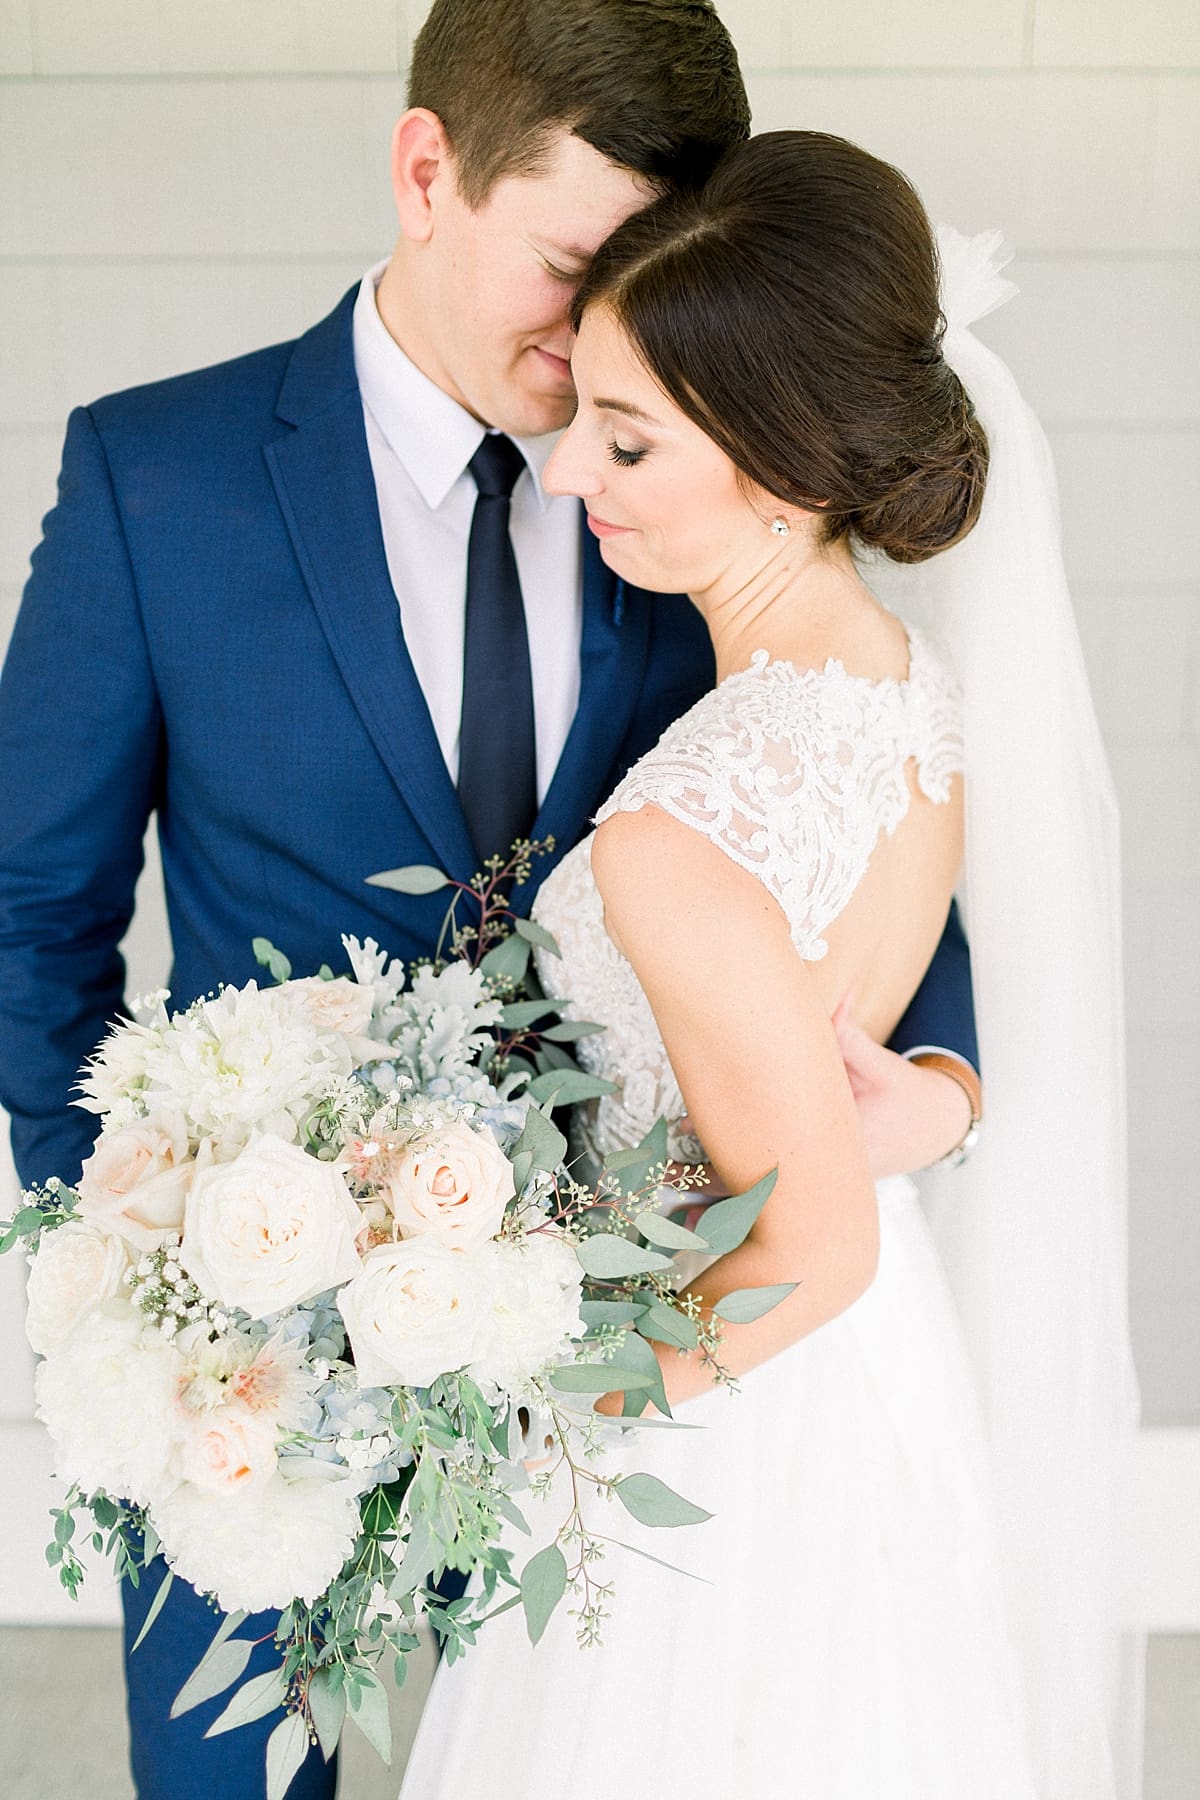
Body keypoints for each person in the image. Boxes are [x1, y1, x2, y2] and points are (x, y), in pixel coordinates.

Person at [0, 7, 984, 1797]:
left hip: (630, 1405)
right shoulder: (158, 481)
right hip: (261, 1371)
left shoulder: (692, 498)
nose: (608, 330)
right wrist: (150, 1275)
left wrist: (943, 1084)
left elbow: (824, 822)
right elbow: (28, 913)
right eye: (573, 267)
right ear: (426, 171)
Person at [396, 132, 1138, 1800]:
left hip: (723, 1439)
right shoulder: (915, 695)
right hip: (873, 1398)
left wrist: (534, 1413)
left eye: (627, 440)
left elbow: (810, 1240)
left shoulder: (682, 832)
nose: (565, 474)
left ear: (783, 469)